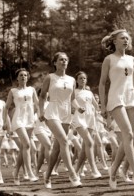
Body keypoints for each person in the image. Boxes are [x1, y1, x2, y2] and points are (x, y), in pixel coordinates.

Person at [99, 29, 134, 190]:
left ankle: (113, 170)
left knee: (129, 138)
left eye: (127, 38)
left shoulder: (133, 60)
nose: (126, 41)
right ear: (114, 41)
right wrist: (102, 105)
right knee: (127, 134)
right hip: (116, 98)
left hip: (131, 99)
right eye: (122, 38)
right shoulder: (109, 59)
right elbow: (102, 83)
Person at [39, 52, 82, 189]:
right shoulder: (50, 78)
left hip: (66, 113)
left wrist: (78, 108)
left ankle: (47, 175)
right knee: (64, 141)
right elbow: (42, 96)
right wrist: (41, 111)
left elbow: (72, 99)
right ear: (55, 63)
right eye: (60, 60)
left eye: (65, 60)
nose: (63, 62)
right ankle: (72, 174)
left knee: (57, 148)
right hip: (52, 111)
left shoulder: (71, 80)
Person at [5, 68, 39, 185]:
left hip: (30, 119)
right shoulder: (13, 91)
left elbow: (37, 104)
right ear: (17, 78)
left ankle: (15, 172)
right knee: (28, 145)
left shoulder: (32, 89)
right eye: (21, 75)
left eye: (25, 75)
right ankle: (29, 173)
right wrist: (6, 123)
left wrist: (40, 115)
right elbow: (6, 108)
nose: (23, 77)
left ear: (27, 77)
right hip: (18, 120)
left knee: (24, 148)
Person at [72, 71, 102, 178]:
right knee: (90, 143)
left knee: (85, 147)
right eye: (80, 78)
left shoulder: (89, 93)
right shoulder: (74, 91)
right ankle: (94, 169)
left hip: (90, 119)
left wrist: (103, 111)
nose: (82, 80)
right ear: (77, 80)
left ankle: (75, 172)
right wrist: (77, 108)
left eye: (84, 78)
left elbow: (96, 105)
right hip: (79, 118)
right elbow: (71, 102)